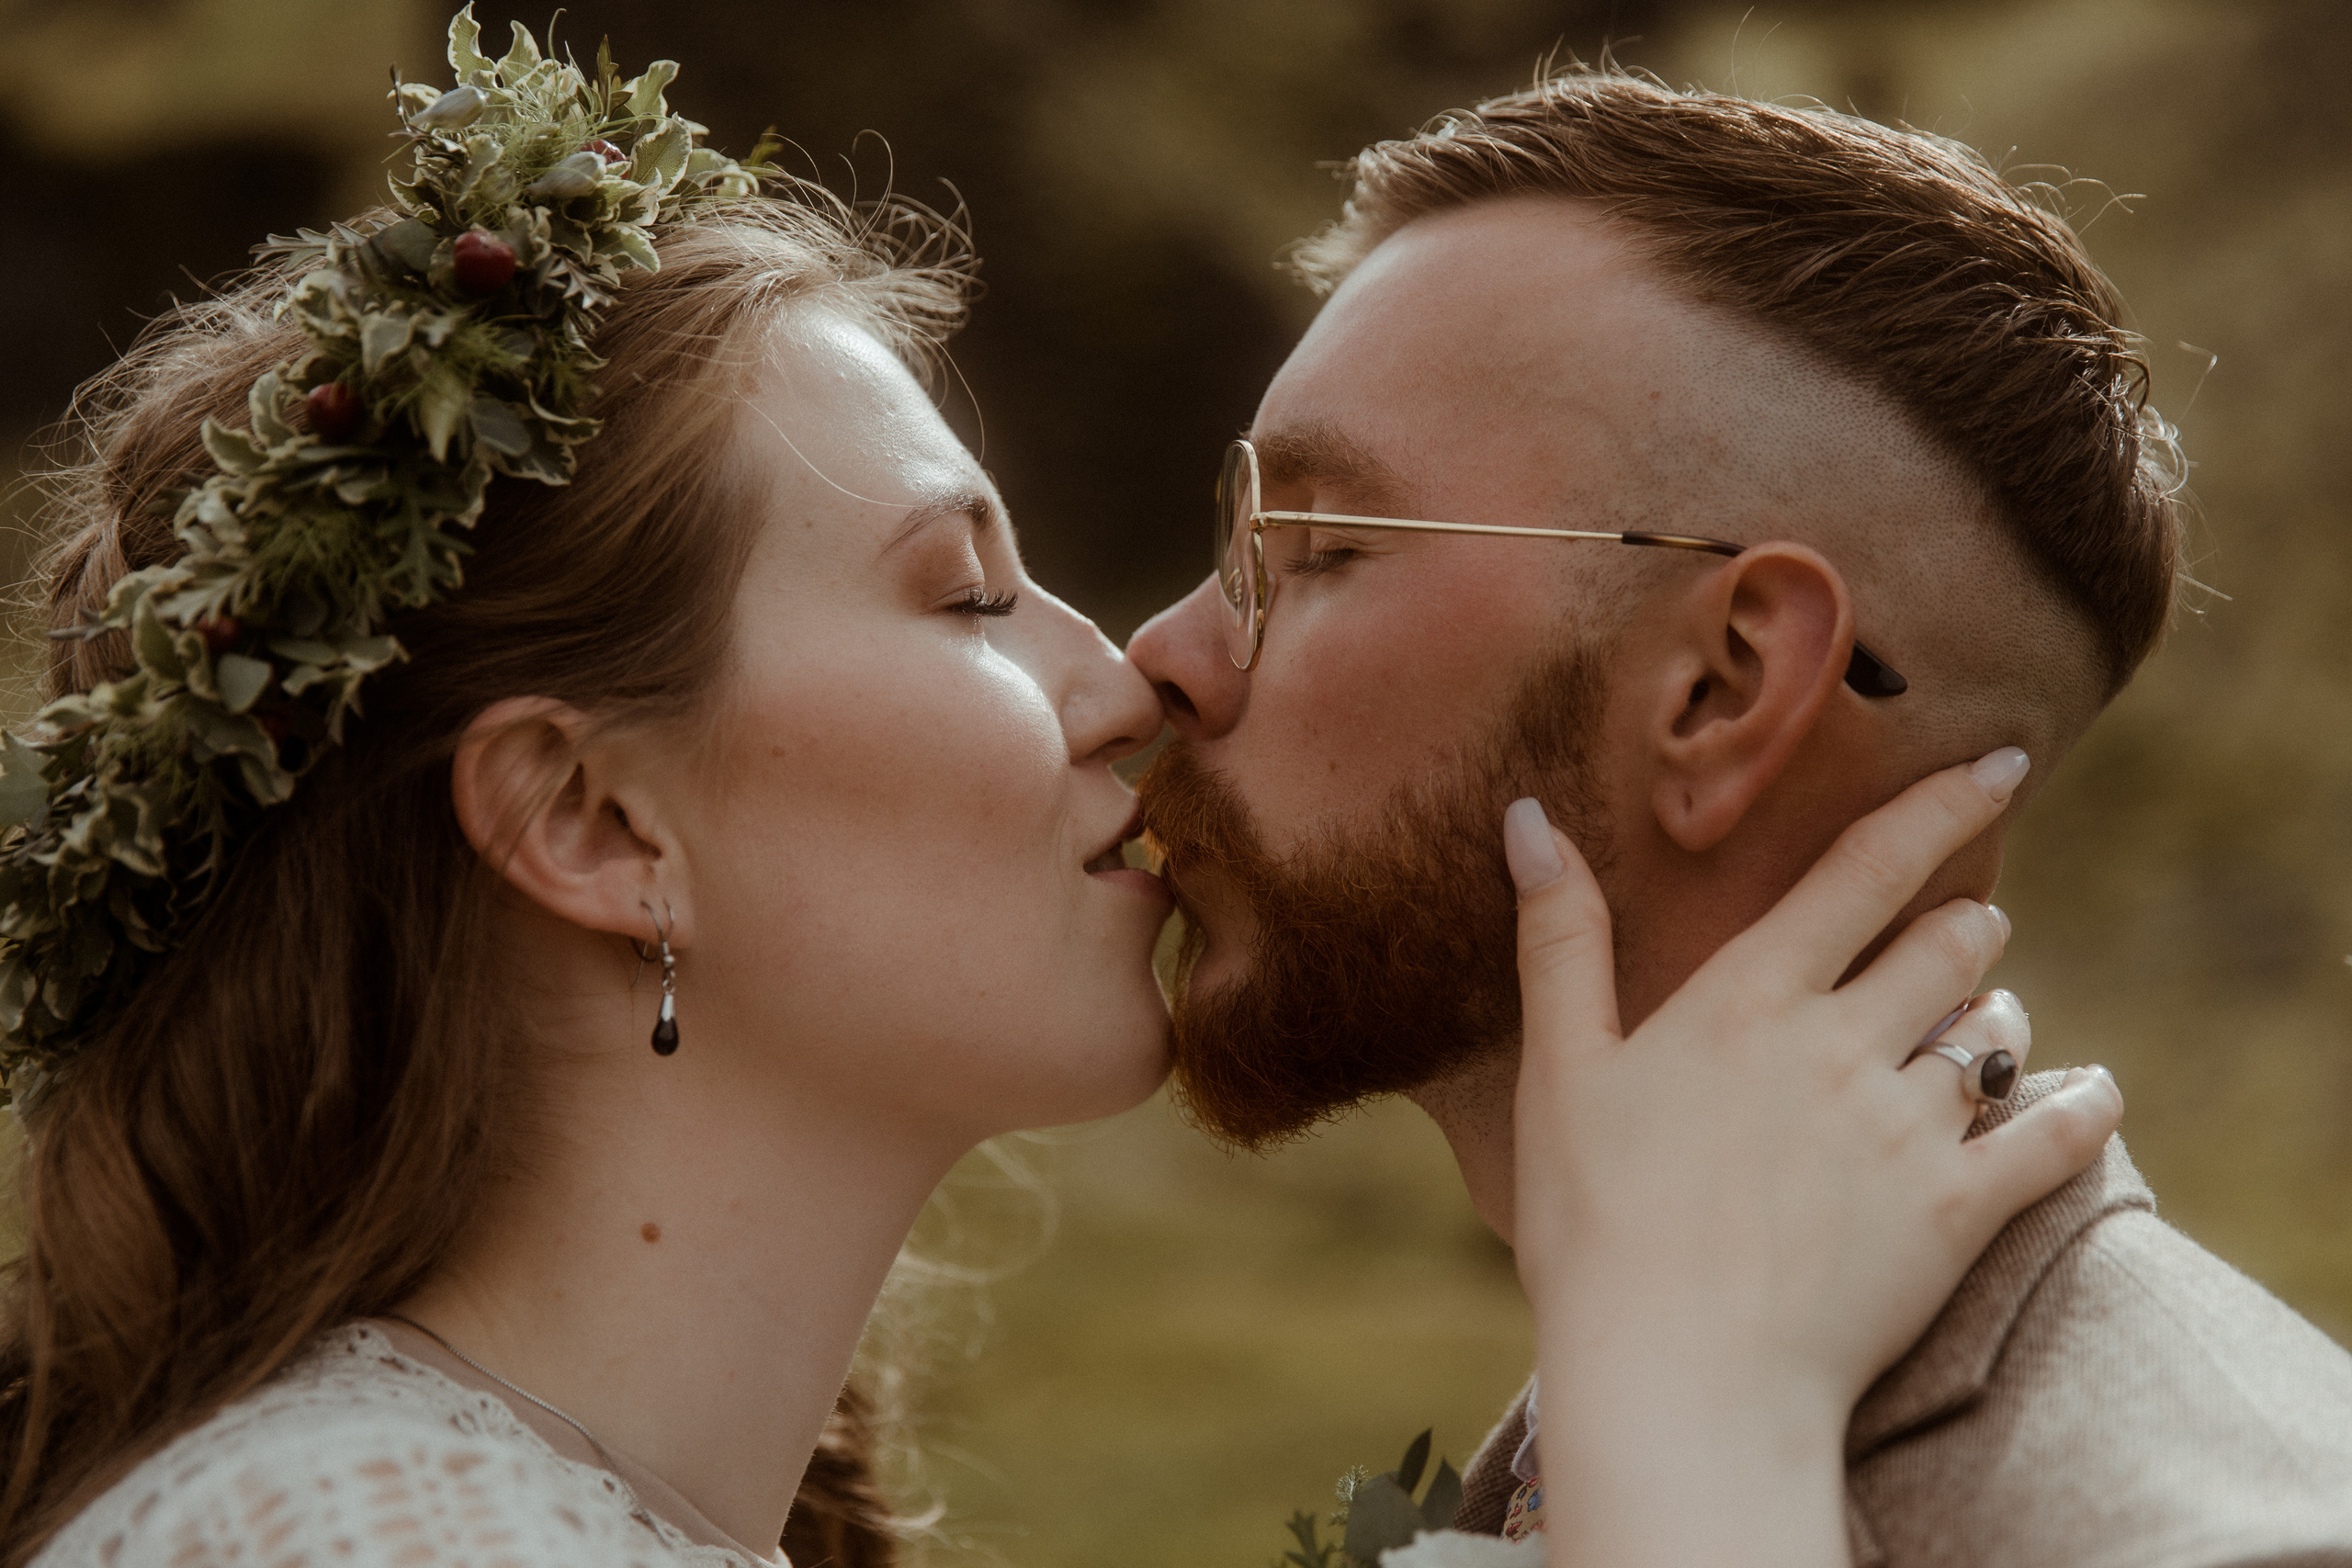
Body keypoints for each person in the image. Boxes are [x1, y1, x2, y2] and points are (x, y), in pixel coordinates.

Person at [0, 17, 2120, 1568]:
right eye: (965, 592)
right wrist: (1701, 1414)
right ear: (596, 823)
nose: (1136, 674)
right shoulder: (353, 1538)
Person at [1129, 68, 2352, 1568]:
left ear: (1723, 687)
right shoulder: (1605, 1416)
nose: (1162, 657)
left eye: (1315, 548)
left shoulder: (2216, 1529)